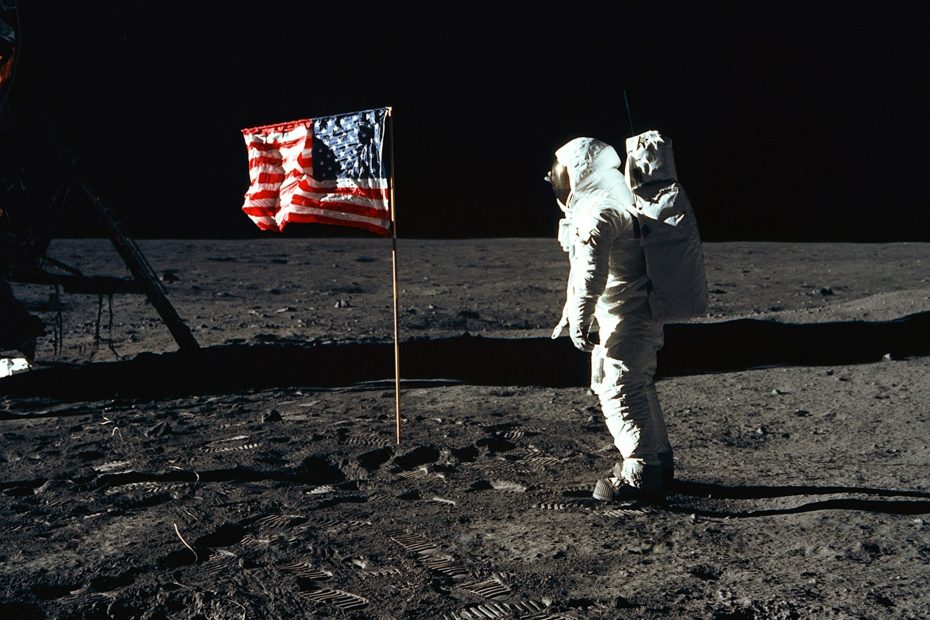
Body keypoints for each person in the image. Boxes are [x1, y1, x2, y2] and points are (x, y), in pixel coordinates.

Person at [548, 137, 673, 502]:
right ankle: (659, 462)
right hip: (634, 312)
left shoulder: (601, 209)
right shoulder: (617, 198)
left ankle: (640, 474)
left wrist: (580, 317)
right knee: (637, 385)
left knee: (619, 389)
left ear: (578, 174)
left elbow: (591, 269)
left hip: (626, 315)